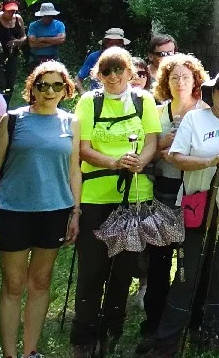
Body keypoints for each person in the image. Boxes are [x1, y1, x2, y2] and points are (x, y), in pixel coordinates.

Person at [144, 67, 219, 356]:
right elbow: (176, 157)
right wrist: (209, 162)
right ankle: (169, 339)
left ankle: (215, 332)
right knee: (186, 272)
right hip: (196, 207)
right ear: (212, 92)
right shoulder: (195, 120)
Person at [0, 62, 80, 358]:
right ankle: (9, 354)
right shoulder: (13, 120)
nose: (49, 91)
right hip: (12, 211)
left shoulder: (72, 123)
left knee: (40, 282)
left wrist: (76, 211)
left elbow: (74, 170)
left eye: (56, 85)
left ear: (66, 90)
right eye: (43, 85)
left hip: (55, 211)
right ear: (32, 88)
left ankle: (30, 352)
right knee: (13, 284)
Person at [70, 47, 160, 358]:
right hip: (96, 198)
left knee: (123, 270)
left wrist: (139, 162)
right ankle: (84, 336)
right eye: (105, 71)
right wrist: (113, 162)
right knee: (93, 270)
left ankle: (113, 332)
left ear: (129, 72)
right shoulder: (88, 102)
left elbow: (152, 141)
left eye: (118, 69)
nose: (112, 76)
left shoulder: (143, 100)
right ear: (98, 74)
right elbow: (81, 148)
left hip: (135, 196)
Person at [144, 52, 207, 337]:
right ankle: (155, 319)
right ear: (164, 82)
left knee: (191, 260)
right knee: (158, 261)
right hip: (164, 193)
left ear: (195, 80)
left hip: (195, 194)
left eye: (186, 76)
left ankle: (193, 318)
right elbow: (145, 157)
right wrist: (161, 146)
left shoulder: (206, 111)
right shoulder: (156, 114)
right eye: (174, 77)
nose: (180, 82)